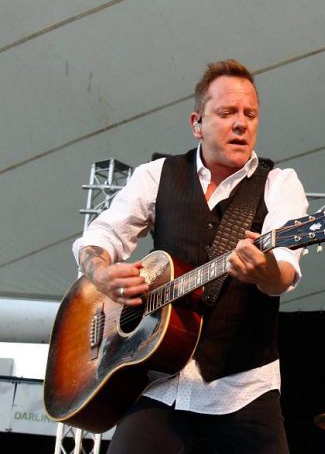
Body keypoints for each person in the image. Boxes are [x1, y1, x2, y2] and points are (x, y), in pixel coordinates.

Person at [73, 59, 308, 453]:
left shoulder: (279, 184)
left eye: (250, 114)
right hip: (159, 383)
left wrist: (263, 269)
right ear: (197, 123)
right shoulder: (157, 175)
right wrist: (100, 272)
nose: (241, 123)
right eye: (227, 112)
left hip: (244, 390)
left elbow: (284, 272)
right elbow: (100, 236)